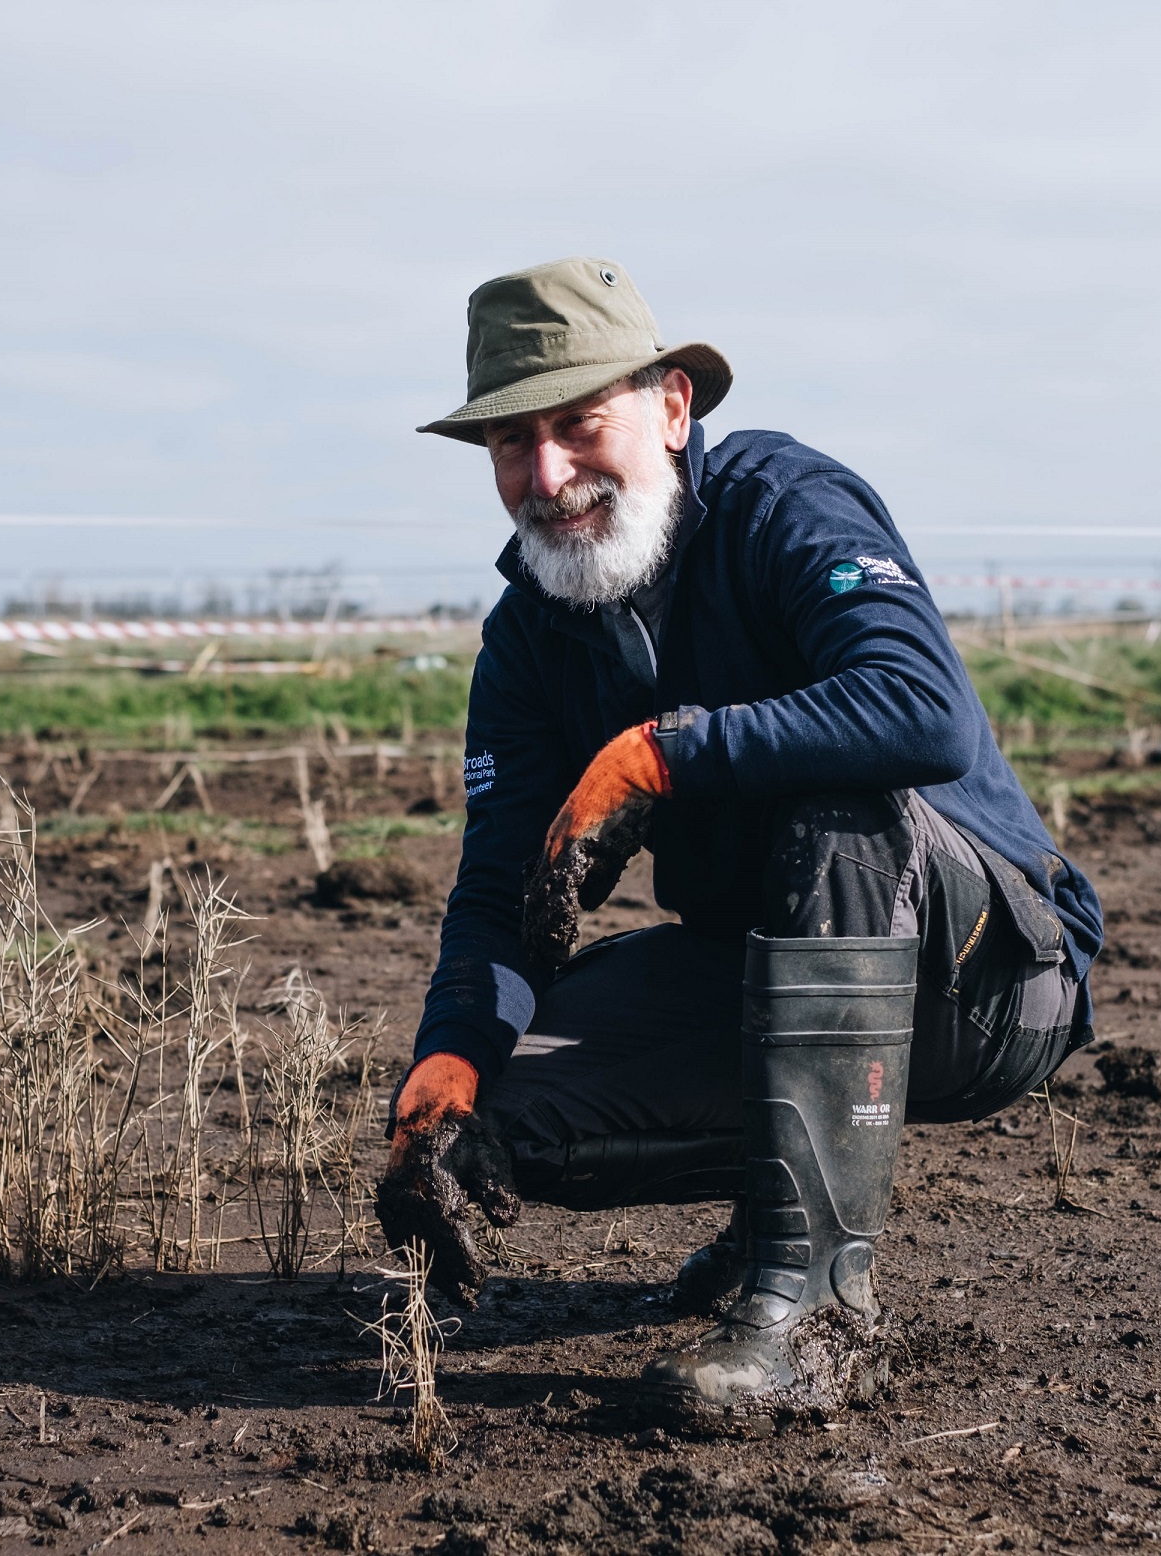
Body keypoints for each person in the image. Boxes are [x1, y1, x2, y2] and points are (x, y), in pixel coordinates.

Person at [375, 257, 1103, 1424]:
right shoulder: (525, 638)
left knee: (838, 806)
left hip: (984, 977)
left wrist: (657, 754)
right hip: (766, 978)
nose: (548, 475)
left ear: (671, 408)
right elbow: (500, 886)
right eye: (514, 443)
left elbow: (920, 706)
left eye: (577, 423)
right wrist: (447, 1060)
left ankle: (814, 1306)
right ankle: (785, 1209)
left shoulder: (779, 503)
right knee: (499, 1118)